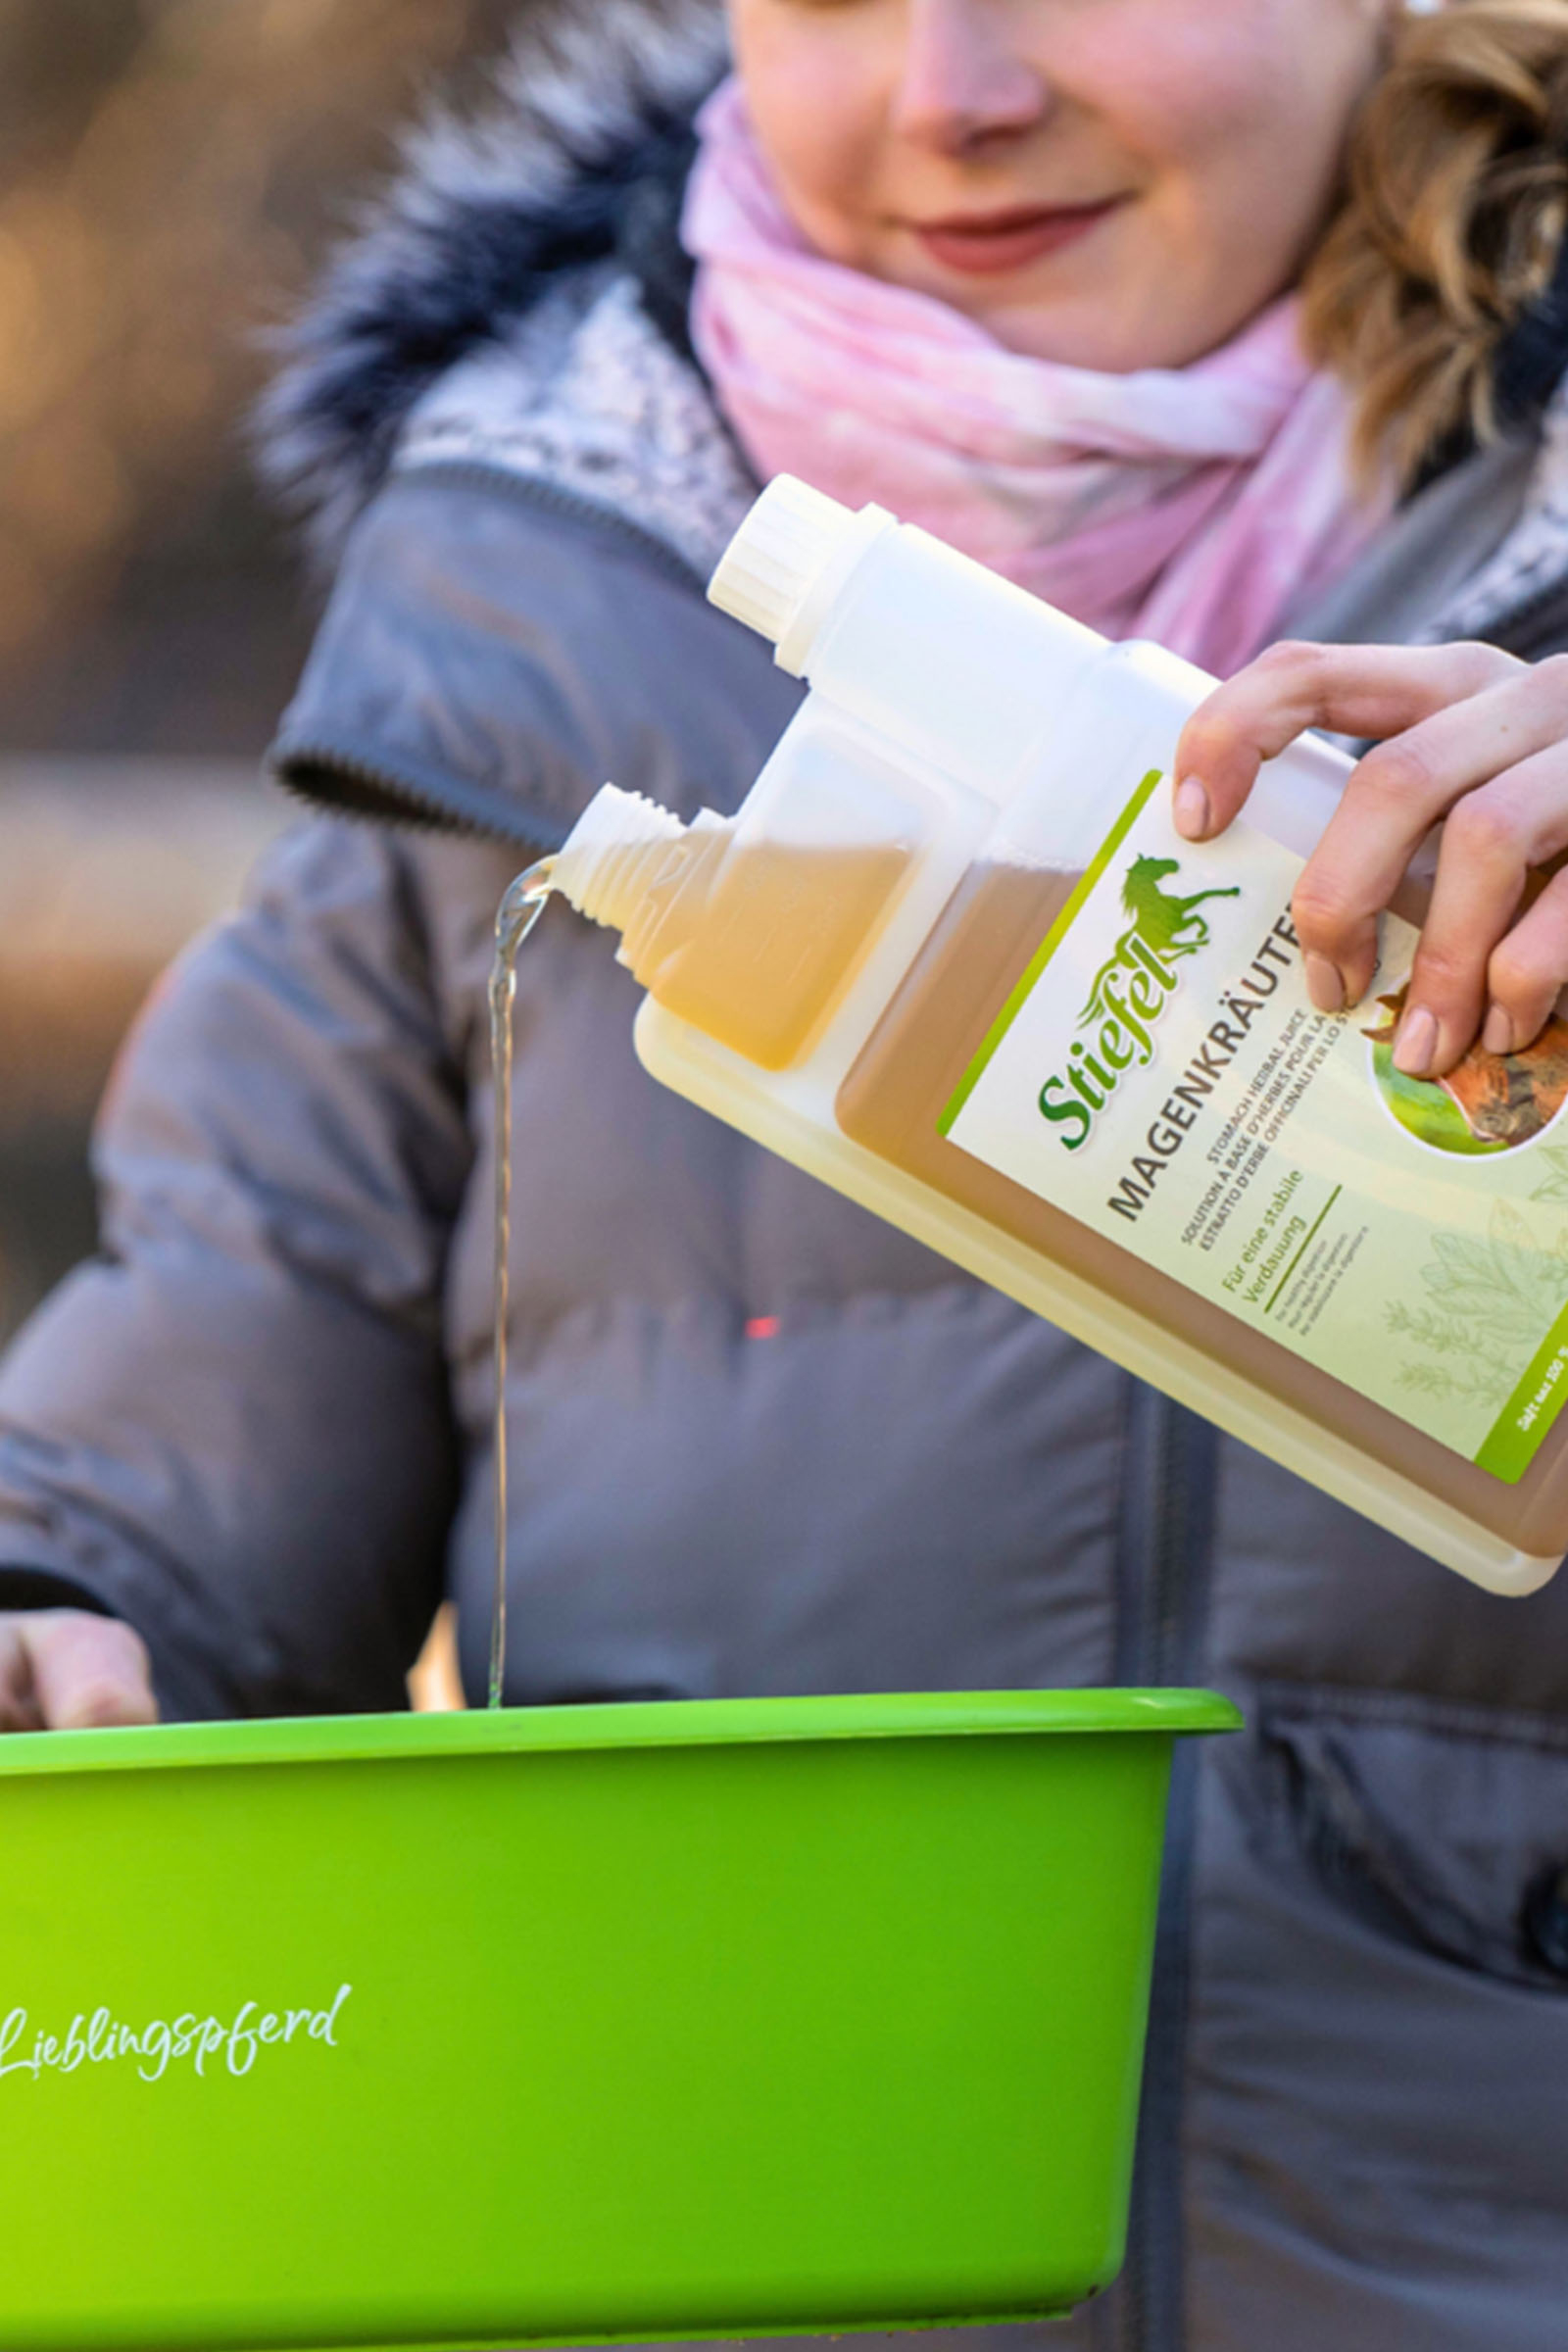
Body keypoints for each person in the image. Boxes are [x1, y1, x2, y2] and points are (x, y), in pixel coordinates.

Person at [4, 0, 1568, 2338]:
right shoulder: (524, 635)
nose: (948, 93)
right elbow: (199, 1429)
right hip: (688, 2259)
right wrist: (54, 1614)